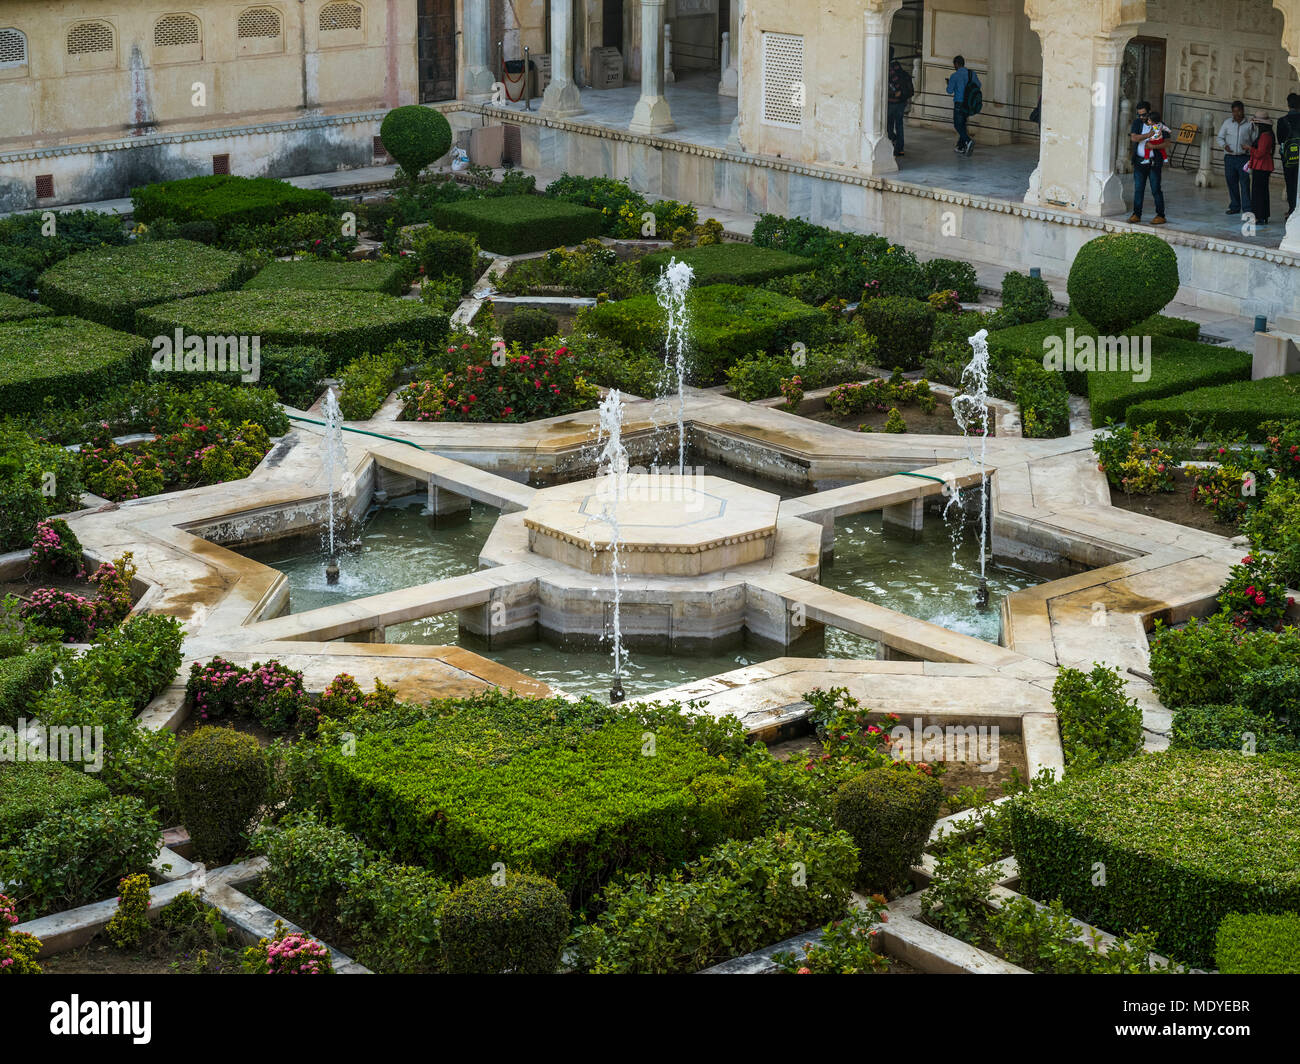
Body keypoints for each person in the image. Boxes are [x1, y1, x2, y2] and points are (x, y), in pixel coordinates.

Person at [1129, 103, 1168, 225]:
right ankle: (1136, 214)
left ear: (1149, 112)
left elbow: (1167, 142)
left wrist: (1153, 145)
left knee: (1156, 189)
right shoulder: (1137, 123)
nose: (1141, 117)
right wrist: (1148, 135)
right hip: (1140, 161)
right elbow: (1134, 138)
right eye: (1139, 115)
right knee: (1138, 189)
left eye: (1144, 115)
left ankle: (1160, 215)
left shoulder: (1160, 124)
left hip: (1154, 162)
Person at [1218, 100, 1253, 215]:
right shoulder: (1227, 123)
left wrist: (1249, 148)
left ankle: (1247, 208)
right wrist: (1224, 146)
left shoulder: (1249, 124)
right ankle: (1235, 206)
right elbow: (1220, 137)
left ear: (1243, 111)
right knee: (1231, 182)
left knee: (1244, 183)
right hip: (1230, 158)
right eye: (1234, 111)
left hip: (1244, 159)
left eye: (1238, 111)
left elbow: (1254, 140)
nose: (1236, 114)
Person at [946, 55, 979, 155]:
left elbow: (949, 91)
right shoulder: (971, 74)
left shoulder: (954, 76)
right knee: (963, 124)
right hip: (969, 104)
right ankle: (961, 146)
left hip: (959, 103)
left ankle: (968, 141)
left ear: (956, 64)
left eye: (954, 65)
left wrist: (949, 84)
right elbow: (978, 85)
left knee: (957, 124)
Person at [1248, 110, 1276, 224]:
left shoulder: (1264, 136)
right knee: (1262, 192)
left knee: (1258, 192)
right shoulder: (1268, 134)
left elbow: (1259, 153)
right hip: (1263, 166)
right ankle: (1263, 216)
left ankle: (1260, 216)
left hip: (1261, 166)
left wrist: (1249, 148)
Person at [1276, 93, 1300, 218]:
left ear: (1288, 104)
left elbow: (1279, 140)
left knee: (1290, 183)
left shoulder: (1282, 121)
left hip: (1288, 159)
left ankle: (1292, 210)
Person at [887, 57, 914, 157]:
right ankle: (900, 149)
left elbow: (891, 89)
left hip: (892, 103)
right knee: (899, 125)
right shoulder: (901, 71)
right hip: (902, 103)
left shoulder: (890, 71)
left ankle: (891, 142)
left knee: (888, 125)